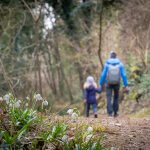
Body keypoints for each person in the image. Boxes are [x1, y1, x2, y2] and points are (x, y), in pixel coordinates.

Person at [99, 51, 128, 117]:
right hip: (117, 83)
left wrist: (101, 83)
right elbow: (124, 75)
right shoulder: (120, 64)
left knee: (109, 97)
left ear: (110, 56)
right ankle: (115, 112)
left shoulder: (107, 64)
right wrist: (125, 84)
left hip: (108, 83)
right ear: (116, 56)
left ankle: (110, 113)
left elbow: (103, 75)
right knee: (116, 97)